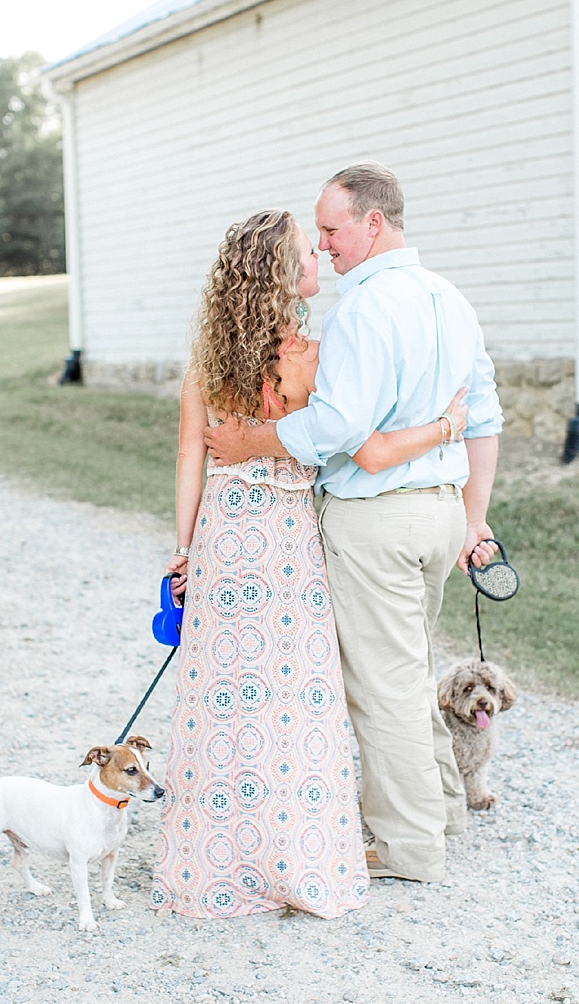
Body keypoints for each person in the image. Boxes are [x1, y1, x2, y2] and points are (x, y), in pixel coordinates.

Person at [153, 208, 468, 920]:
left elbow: (188, 460)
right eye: (306, 252)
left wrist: (184, 551)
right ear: (280, 275)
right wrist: (448, 424)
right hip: (290, 539)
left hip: (226, 536)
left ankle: (219, 860)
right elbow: (358, 446)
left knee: (221, 699)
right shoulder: (313, 356)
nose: (318, 259)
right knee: (295, 703)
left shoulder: (205, 365)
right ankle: (295, 855)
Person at [203, 164, 502, 884]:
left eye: (332, 229)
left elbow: (338, 427)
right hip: (439, 517)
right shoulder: (450, 298)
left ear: (375, 223)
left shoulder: (363, 311)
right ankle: (442, 812)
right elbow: (484, 416)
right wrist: (474, 520)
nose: (326, 245)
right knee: (410, 667)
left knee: (385, 687)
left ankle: (406, 847)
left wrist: (255, 443)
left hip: (377, 520)